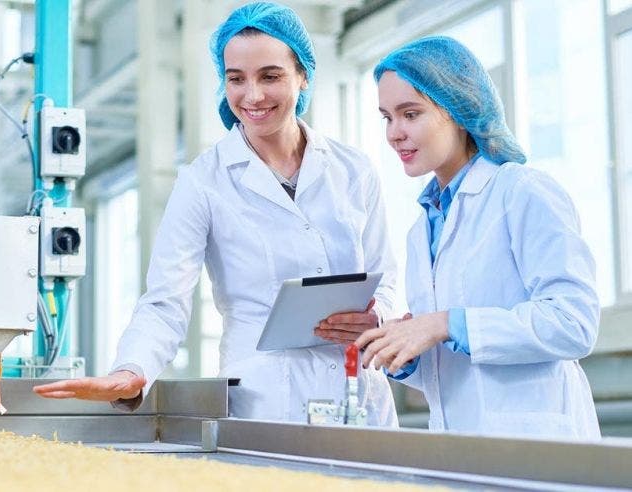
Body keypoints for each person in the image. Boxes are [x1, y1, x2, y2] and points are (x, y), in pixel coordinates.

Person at [34, 2, 398, 425]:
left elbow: (386, 277)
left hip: (360, 391)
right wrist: (131, 370)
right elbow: (165, 300)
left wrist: (378, 317)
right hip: (267, 403)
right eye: (236, 79)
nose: (253, 95)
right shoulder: (204, 181)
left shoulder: (352, 169)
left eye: (271, 76)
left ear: (303, 76)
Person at [357, 36, 600, 438]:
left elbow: (573, 323)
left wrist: (445, 324)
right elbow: (455, 373)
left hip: (538, 444)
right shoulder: (423, 228)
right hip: (459, 447)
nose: (394, 133)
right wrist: (403, 351)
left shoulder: (522, 192)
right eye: (387, 117)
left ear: (456, 108)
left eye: (410, 114)